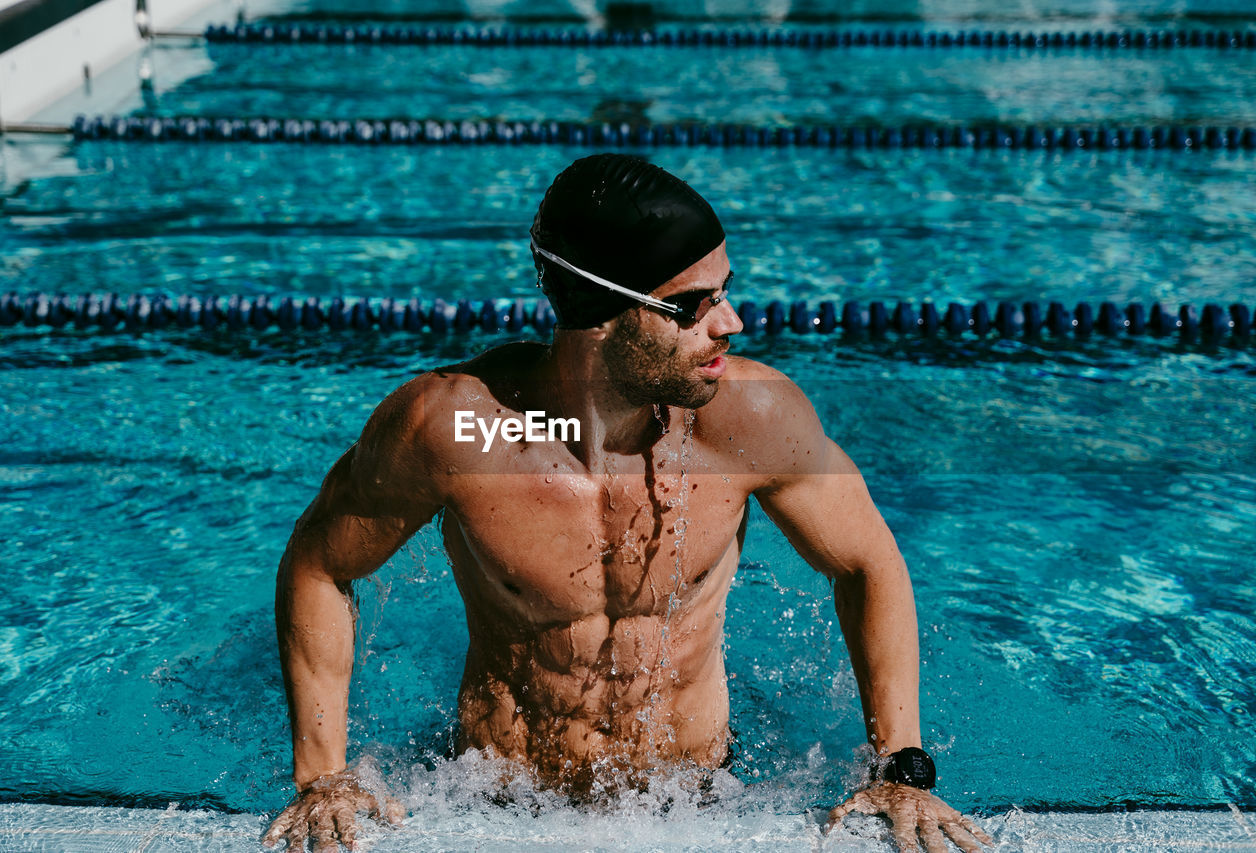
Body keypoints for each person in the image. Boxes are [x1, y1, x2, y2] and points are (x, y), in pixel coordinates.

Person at [263, 153, 992, 853]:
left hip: (698, 796)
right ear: (603, 314)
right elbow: (319, 564)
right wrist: (323, 775)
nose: (729, 322)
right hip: (494, 799)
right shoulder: (463, 431)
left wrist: (901, 767)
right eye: (691, 306)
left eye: (725, 291)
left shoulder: (749, 421)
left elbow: (868, 564)